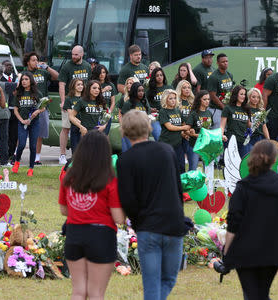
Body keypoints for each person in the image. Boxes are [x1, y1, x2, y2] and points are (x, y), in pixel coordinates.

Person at [117, 110, 185, 300]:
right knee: (169, 279)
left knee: (152, 283)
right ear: (149, 127)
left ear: (124, 131)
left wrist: (139, 224)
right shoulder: (167, 151)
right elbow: (178, 189)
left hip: (148, 227)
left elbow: (128, 199)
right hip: (173, 223)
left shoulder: (125, 160)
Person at [224, 140, 278, 300]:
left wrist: (227, 249)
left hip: (244, 250)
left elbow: (233, 222)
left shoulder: (243, 187)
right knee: (260, 293)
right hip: (273, 251)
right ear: (274, 160)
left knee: (252, 294)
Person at [59, 130, 125, 300]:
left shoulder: (69, 179)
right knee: (96, 293)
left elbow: (64, 210)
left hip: (74, 235)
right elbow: (118, 218)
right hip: (101, 236)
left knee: (79, 291)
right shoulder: (109, 180)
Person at [23, 51, 59, 165]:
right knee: (23, 132)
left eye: (37, 60)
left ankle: (36, 158)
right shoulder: (24, 74)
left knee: (39, 133)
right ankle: (16, 154)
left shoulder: (43, 72)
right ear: (28, 62)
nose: (36, 62)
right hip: (27, 106)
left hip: (42, 107)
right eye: (33, 60)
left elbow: (58, 77)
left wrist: (47, 67)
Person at [58, 45, 92, 164]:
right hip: (70, 101)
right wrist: (63, 101)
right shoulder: (67, 66)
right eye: (72, 54)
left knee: (83, 129)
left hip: (83, 102)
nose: (73, 56)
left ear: (82, 54)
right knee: (66, 128)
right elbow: (61, 84)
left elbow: (89, 84)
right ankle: (62, 155)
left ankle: (83, 155)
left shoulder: (87, 66)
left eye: (76, 54)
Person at [11, 72, 44, 177]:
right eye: (22, 80)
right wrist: (21, 120)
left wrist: (37, 112)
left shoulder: (37, 94)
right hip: (22, 123)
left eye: (26, 79)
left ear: (31, 81)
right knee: (21, 144)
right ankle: (17, 162)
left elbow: (43, 107)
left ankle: (31, 168)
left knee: (33, 146)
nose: (24, 81)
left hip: (34, 123)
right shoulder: (19, 94)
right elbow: (15, 110)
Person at [158, 89, 191, 174]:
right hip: (166, 144)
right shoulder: (163, 111)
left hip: (178, 144)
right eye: (170, 98)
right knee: (167, 168)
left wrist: (186, 133)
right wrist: (183, 128)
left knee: (181, 167)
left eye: (174, 98)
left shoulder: (177, 110)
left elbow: (184, 123)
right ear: (165, 99)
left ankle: (180, 186)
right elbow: (170, 127)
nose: (173, 100)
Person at [0, 64, 17, 166]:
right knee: (3, 140)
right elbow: (18, 85)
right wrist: (19, 76)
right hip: (3, 115)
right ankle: (4, 161)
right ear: (2, 73)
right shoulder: (5, 85)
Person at [221, 85, 251, 158]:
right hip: (231, 140)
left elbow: (249, 125)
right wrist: (221, 135)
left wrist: (257, 121)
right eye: (241, 94)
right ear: (235, 95)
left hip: (244, 141)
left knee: (243, 165)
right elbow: (222, 125)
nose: (243, 96)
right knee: (230, 164)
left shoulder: (246, 109)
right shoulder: (228, 108)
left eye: (244, 94)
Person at [185, 90, 213, 170]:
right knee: (193, 168)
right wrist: (191, 133)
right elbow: (186, 129)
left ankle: (206, 182)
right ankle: (191, 183)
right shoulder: (194, 113)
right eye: (204, 99)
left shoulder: (209, 113)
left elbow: (210, 129)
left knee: (208, 169)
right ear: (199, 100)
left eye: (208, 99)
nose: (207, 101)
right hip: (195, 145)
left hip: (206, 145)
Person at [207, 53, 234, 130]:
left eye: (226, 61)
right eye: (223, 62)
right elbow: (212, 96)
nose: (225, 63)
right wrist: (224, 107)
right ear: (217, 63)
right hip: (216, 109)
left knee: (227, 131)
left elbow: (231, 91)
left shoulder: (229, 75)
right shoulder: (214, 77)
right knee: (218, 131)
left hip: (227, 107)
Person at [146, 67, 172, 141]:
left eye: (161, 75)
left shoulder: (169, 88)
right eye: (157, 76)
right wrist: (150, 109)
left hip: (169, 116)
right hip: (156, 118)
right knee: (159, 137)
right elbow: (146, 105)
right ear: (154, 78)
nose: (160, 77)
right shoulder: (149, 91)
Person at [176, 80, 195, 170]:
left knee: (192, 161)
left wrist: (189, 132)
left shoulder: (193, 102)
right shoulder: (175, 102)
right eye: (184, 88)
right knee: (180, 163)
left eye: (189, 88)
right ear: (180, 89)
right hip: (178, 134)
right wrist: (182, 132)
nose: (187, 90)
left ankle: (191, 178)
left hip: (190, 134)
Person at [63, 79, 84, 154]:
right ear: (73, 86)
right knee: (75, 151)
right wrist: (77, 122)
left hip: (85, 126)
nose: (80, 86)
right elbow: (70, 114)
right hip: (75, 126)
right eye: (78, 85)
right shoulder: (69, 99)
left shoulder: (85, 98)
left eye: (81, 84)